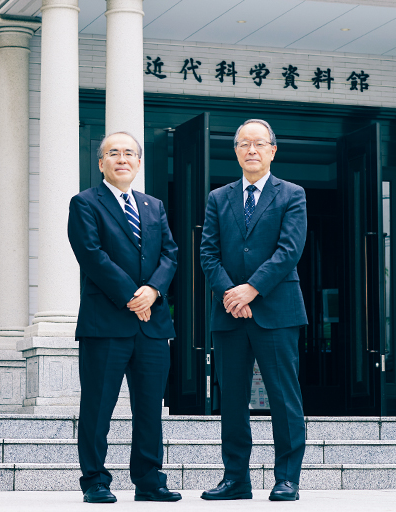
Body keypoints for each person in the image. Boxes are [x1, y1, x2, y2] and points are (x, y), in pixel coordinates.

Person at [68, 132, 181, 503]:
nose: (122, 159)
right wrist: (133, 295)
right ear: (101, 162)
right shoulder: (85, 203)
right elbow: (92, 255)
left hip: (152, 326)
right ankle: (95, 480)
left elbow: (170, 254)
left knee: (149, 408)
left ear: (138, 162)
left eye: (129, 153)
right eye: (113, 153)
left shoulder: (153, 206)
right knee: (98, 405)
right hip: (105, 323)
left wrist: (154, 290)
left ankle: (149, 480)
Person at [199, 119, 308, 501]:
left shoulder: (292, 194)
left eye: (259, 143)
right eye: (244, 143)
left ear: (272, 150)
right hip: (229, 314)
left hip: (277, 311)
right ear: (235, 151)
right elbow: (208, 253)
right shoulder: (218, 198)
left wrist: (251, 290)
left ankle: (287, 479)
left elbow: (289, 250)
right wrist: (232, 294)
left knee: (283, 397)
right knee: (232, 400)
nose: (251, 150)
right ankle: (235, 479)